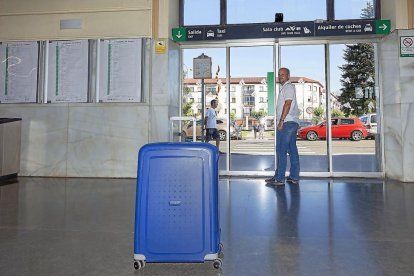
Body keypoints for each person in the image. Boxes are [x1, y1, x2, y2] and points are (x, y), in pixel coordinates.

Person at [266, 67, 300, 186]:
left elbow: (288, 103)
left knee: (281, 149)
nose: (280, 76)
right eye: (279, 75)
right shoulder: (286, 87)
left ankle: (279, 178)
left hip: (287, 122)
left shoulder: (288, 87)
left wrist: (281, 120)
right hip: (291, 122)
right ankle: (294, 177)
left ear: (288, 76)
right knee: (291, 150)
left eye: (283, 75)